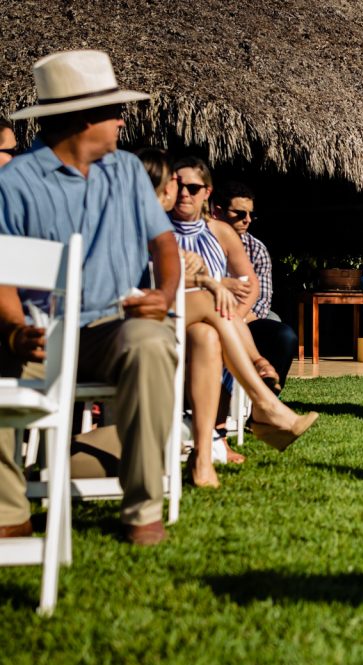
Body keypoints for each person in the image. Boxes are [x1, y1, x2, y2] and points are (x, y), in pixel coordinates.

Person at [0, 50, 179, 545]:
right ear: (85, 118)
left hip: (111, 327)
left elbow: (164, 243)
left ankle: (142, 508)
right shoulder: (12, 183)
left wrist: (163, 295)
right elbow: (1, 276)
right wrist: (15, 330)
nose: (124, 120)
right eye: (115, 110)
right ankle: (9, 512)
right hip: (39, 333)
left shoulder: (125, 172)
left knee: (150, 342)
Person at [169, 156, 317, 486]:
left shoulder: (220, 233)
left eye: (192, 188)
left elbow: (250, 284)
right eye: (177, 185)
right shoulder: (159, 229)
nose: (184, 194)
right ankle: (264, 400)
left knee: (215, 333)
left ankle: (204, 457)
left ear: (206, 192)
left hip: (219, 321)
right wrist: (219, 289)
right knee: (214, 303)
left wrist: (239, 309)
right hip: (175, 314)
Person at [212, 181, 299, 387]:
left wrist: (240, 317)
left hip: (248, 315)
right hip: (211, 312)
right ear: (218, 211)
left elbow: (262, 300)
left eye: (251, 214)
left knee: (283, 334)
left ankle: (269, 394)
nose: (247, 220)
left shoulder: (257, 249)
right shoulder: (202, 241)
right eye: (240, 214)